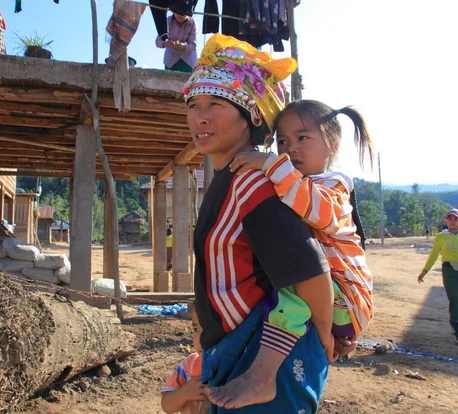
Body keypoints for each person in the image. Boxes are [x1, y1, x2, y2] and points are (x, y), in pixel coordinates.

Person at [184, 34, 351, 412]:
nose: (200, 116)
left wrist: (325, 333)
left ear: (252, 116)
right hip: (234, 350)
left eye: (216, 103)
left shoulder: (254, 180)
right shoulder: (229, 176)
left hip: (266, 353)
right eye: (193, 104)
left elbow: (308, 269)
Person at [228, 100, 375, 343]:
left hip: (347, 297)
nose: (291, 148)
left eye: (303, 138)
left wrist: (268, 164)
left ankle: (267, 365)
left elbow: (321, 213)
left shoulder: (333, 185)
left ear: (332, 144)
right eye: (283, 141)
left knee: (284, 290)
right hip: (327, 296)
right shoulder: (292, 184)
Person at [417, 208, 458, 347]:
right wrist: (424, 271)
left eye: (456, 219)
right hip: (449, 270)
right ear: (446, 220)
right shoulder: (441, 237)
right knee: (456, 299)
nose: (452, 221)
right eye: (450, 218)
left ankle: (457, 325)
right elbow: (434, 255)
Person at [161, 303, 208, 414]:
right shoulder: (189, 366)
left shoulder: (236, 365)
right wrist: (185, 393)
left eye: (208, 329)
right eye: (196, 329)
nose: (200, 339)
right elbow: (167, 406)